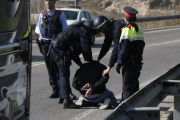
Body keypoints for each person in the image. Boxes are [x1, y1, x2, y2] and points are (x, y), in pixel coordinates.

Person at [35, 0, 77, 99]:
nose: (48, 2)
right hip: (45, 44)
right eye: (46, 0)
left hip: (55, 45)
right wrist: (40, 42)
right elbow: (38, 30)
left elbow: (65, 30)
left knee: (58, 68)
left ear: (54, 2)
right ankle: (55, 90)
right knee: (50, 68)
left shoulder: (60, 14)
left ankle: (61, 90)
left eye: (50, 0)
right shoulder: (42, 15)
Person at [50, 20, 94, 109]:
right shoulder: (83, 31)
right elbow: (85, 49)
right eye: (93, 33)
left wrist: (79, 63)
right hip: (60, 49)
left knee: (60, 74)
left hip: (53, 47)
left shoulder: (75, 29)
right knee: (64, 75)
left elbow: (73, 51)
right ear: (90, 29)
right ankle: (67, 101)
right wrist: (91, 62)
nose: (92, 35)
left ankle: (62, 97)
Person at [116, 6, 145, 101]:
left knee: (127, 88)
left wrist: (119, 62)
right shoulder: (139, 29)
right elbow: (141, 46)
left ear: (126, 18)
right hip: (137, 63)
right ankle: (136, 106)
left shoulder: (127, 30)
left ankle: (127, 112)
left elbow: (124, 48)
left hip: (129, 64)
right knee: (134, 86)